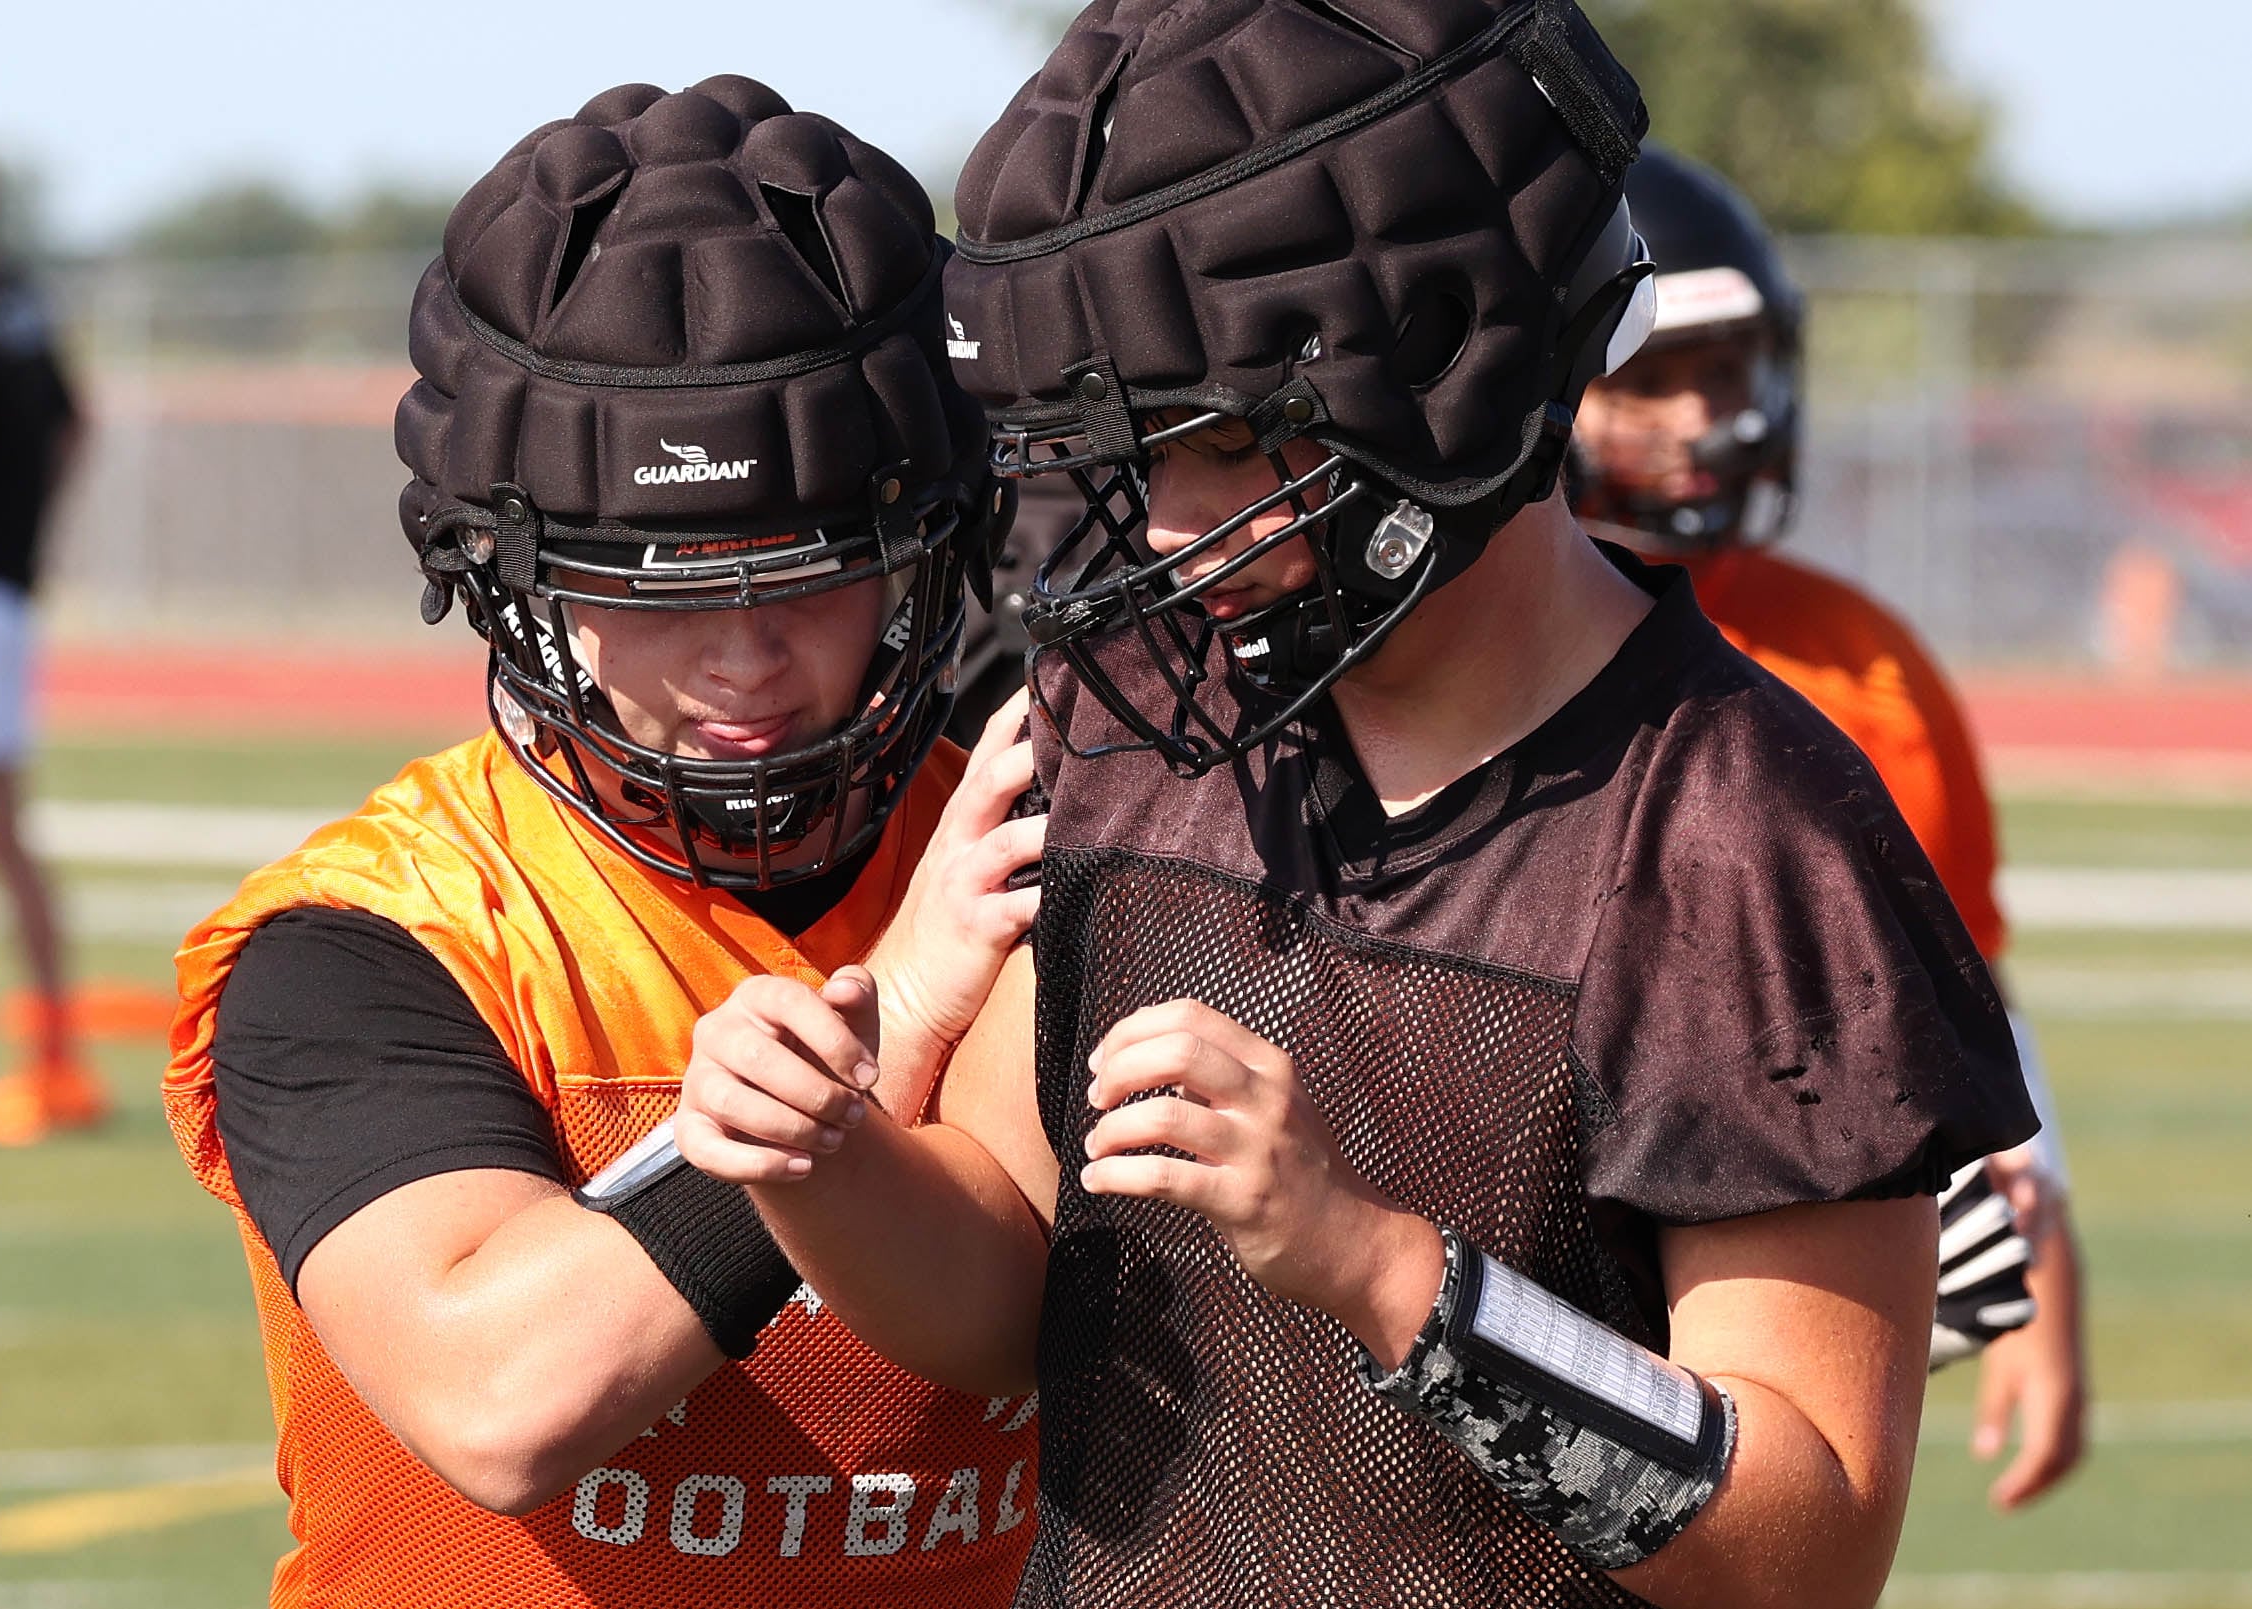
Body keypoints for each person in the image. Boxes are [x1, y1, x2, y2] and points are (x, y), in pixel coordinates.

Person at [677, 5, 2037, 1607]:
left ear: (1438, 384)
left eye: (1224, 446)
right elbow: (1006, 1294)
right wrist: (819, 1163)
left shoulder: (1740, 836)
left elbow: (1799, 1547)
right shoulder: (1129, 727)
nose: (1168, 535)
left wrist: (1385, 1273)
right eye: (1133, 455)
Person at [162, 78, 1042, 1608]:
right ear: (515, 584)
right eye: (657, 584)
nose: (742, 659)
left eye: (811, 571)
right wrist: (891, 1017)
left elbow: (1032, 1313)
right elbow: (503, 1401)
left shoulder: (1044, 852)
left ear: (930, 552)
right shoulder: (373, 938)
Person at [1569, 143, 2088, 1510]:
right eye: (1647, 377)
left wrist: (2046, 1243)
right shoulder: (1472, 644)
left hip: (1774, 1300)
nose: (1696, 417)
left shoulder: (1859, 662)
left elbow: (1962, 973)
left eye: (1723, 369)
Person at [0, 166, 97, 1146]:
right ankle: (56, 1048)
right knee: (4, 828)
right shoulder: (21, 299)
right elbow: (73, 429)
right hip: (4, 588)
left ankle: (57, 1053)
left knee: (1, 825)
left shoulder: (11, 299)